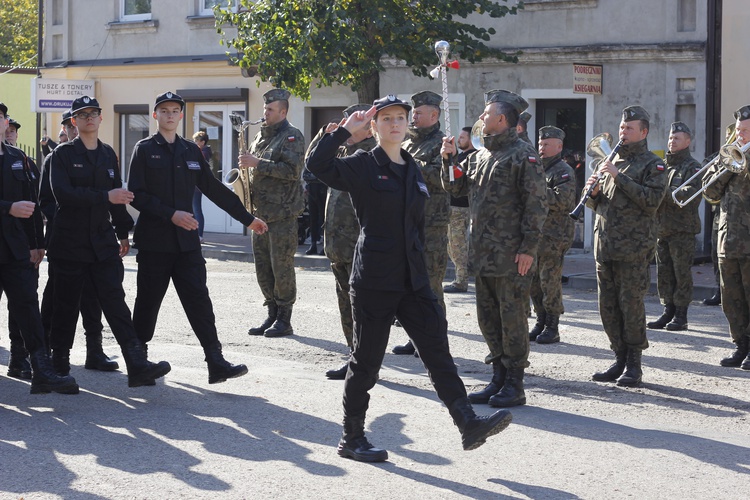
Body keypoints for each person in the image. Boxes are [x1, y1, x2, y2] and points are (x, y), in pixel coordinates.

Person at [306, 95, 512, 463]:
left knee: (437, 352)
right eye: (386, 119)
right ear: (375, 126)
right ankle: (351, 436)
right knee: (366, 361)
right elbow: (317, 165)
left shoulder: (413, 167)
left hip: (412, 280)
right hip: (375, 279)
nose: (395, 124)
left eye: (401, 118)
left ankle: (467, 423)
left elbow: (416, 224)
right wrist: (342, 133)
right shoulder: (363, 165)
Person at [128, 92, 266, 383]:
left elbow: (213, 189)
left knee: (199, 301)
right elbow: (136, 195)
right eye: (163, 110)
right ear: (155, 115)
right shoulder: (143, 149)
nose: (169, 115)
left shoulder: (191, 151)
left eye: (174, 110)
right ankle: (138, 363)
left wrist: (248, 219)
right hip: (155, 242)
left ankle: (216, 362)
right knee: (148, 301)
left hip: (186, 244)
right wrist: (170, 214)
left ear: (181, 115)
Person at [48, 95, 171, 388]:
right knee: (65, 306)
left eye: (94, 113)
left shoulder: (107, 154)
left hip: (101, 242)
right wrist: (105, 197)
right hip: (70, 242)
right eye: (83, 114)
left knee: (115, 301)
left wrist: (123, 231)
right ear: (74, 122)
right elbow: (62, 195)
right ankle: (59, 366)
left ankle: (136, 364)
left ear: (101, 119)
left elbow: (117, 197)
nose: (89, 118)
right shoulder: (62, 155)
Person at [440, 90, 547, 408]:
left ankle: (515, 383)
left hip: (512, 253)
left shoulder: (523, 155)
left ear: (502, 119)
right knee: (488, 317)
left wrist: (529, 248)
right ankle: (497, 377)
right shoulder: (480, 155)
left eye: (486, 114)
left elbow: (537, 205)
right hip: (484, 252)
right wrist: (448, 159)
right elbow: (455, 188)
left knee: (512, 316)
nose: (481, 118)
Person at [586, 105, 667, 387]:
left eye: (629, 128)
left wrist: (619, 177)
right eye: (622, 127)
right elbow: (597, 204)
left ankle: (634, 364)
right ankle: (618, 357)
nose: (623, 132)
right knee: (607, 306)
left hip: (633, 248)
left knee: (630, 305)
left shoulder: (652, 164)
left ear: (643, 132)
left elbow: (651, 201)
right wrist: (593, 192)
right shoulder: (608, 161)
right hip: (605, 245)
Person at [0, 101, 78, 394]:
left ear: (6, 123)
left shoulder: (18, 158)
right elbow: (18, 206)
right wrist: (8, 208)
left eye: (0, 116)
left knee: (28, 310)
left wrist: (37, 245)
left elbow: (32, 205)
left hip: (16, 249)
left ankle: (41, 370)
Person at [36, 110, 120, 375]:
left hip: (94, 240)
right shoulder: (57, 158)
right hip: (66, 239)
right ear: (68, 128)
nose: (74, 131)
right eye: (69, 127)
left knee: (93, 299)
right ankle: (47, 350)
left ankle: (94, 350)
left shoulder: (101, 154)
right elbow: (47, 201)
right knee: (57, 300)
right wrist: (65, 220)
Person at [305, 104, 377, 380]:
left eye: (351, 123)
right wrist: (326, 134)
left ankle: (366, 363)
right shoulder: (344, 150)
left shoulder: (370, 154)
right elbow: (310, 164)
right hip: (338, 243)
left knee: (364, 309)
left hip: (359, 245)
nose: (346, 127)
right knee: (346, 306)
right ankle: (355, 356)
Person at [239, 88, 305, 338]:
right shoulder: (259, 137)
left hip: (282, 215)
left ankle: (285, 318)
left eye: (269, 109)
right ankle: (271, 313)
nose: (264, 113)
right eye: (264, 108)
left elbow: (292, 171)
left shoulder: (292, 136)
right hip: (260, 214)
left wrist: (257, 164)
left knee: (282, 267)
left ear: (283, 112)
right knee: (263, 268)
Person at [392, 90, 448, 356]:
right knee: (409, 284)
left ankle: (434, 338)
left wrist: (409, 166)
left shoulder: (443, 143)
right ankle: (415, 336)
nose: (414, 116)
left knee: (430, 284)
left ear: (434, 115)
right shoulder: (408, 142)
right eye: (413, 112)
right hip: (407, 222)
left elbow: (441, 178)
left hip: (432, 224)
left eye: (419, 112)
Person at [703, 105, 750, 370]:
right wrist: (728, 166)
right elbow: (710, 194)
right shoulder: (728, 156)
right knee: (731, 299)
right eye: (738, 130)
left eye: (744, 130)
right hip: (727, 241)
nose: (739, 135)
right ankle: (741, 345)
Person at [647, 122, 702, 331]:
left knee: (681, 273)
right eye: (670, 138)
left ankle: (681, 315)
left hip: (682, 230)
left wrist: (661, 192)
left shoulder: (693, 167)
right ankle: (667, 310)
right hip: (662, 228)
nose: (672, 142)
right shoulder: (662, 165)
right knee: (664, 272)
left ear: (687, 141)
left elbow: (688, 196)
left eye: (677, 138)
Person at [529, 126, 576, 344]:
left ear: (559, 146)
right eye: (540, 143)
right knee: (534, 282)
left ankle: (552, 325)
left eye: (547, 144)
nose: (542, 147)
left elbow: (563, 201)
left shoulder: (563, 170)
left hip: (554, 235)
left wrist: (536, 191)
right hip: (535, 234)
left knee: (550, 281)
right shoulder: (536, 168)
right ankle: (540, 320)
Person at [703, 122, 735, 307]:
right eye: (731, 134)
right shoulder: (720, 156)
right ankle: (719, 288)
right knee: (717, 253)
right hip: (721, 215)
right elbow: (704, 173)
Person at [444, 126, 475, 294]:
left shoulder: (473, 157)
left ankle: (461, 281)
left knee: (459, 245)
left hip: (462, 207)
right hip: (451, 205)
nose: (459, 140)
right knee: (451, 245)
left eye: (462, 138)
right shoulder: (460, 155)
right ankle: (459, 277)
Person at [191, 130, 211, 243]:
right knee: (194, 209)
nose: (195, 142)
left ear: (202, 142)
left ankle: (199, 235)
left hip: (197, 186)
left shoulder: (203, 153)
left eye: (196, 140)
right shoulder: (203, 151)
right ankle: (196, 234)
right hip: (195, 185)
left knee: (197, 210)